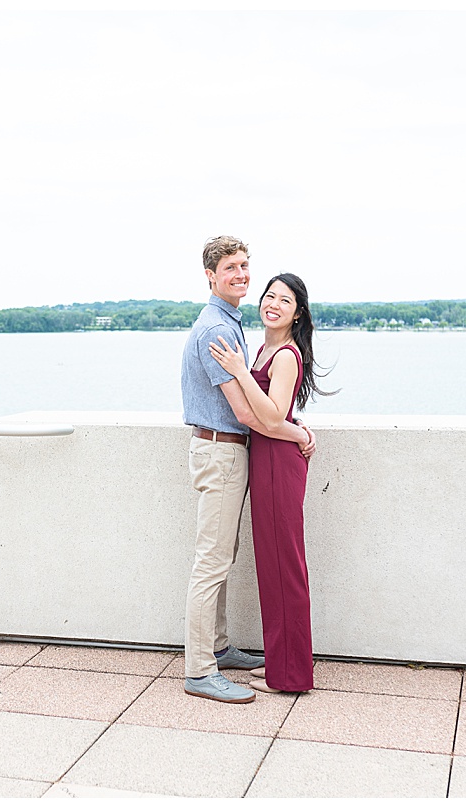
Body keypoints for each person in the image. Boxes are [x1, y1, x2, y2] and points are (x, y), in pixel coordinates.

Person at [180, 237, 315, 704]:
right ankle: (200, 670)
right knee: (212, 563)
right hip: (221, 451)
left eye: (244, 266)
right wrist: (296, 432)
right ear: (211, 276)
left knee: (223, 557)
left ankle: (218, 648)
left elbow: (265, 404)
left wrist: (288, 426)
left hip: (236, 453)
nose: (240, 275)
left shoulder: (233, 326)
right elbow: (246, 412)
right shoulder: (217, 330)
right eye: (230, 268)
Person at [209, 272, 333, 694]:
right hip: (266, 459)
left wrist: (239, 372)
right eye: (269, 296)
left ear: (297, 314)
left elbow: (272, 415)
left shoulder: (285, 355)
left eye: (285, 300)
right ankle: (281, 663)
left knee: (286, 567)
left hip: (280, 463)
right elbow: (276, 414)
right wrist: (298, 428)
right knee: (271, 565)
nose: (273, 304)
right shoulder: (265, 349)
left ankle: (292, 676)